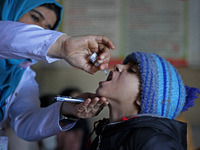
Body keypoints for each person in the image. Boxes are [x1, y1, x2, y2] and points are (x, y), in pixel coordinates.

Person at [0, 0, 115, 142]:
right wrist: (62, 45)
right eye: (35, 18)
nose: (41, 30)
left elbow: (25, 124)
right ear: (13, 11)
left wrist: (67, 111)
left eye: (48, 28)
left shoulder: (23, 74)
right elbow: (5, 37)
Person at [89, 51, 200, 150]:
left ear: (143, 98)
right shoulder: (107, 134)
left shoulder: (154, 140)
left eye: (131, 70)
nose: (117, 66)